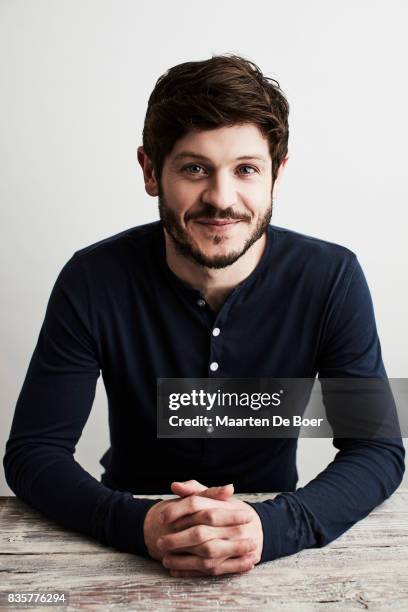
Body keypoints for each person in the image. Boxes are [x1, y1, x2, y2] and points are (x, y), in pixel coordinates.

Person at [3, 54, 405, 578]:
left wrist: (272, 526)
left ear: (276, 176)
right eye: (195, 168)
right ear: (151, 172)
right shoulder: (92, 278)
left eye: (246, 170)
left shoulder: (332, 277)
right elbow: (34, 453)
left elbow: (376, 449)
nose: (221, 198)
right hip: (120, 552)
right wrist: (137, 522)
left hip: (274, 552)